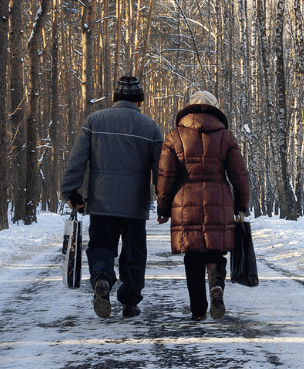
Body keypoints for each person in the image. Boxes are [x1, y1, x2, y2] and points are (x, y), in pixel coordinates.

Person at [61, 75, 164, 318]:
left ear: (115, 98)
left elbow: (77, 160)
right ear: (140, 101)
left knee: (101, 248)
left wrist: (71, 192)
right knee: (134, 254)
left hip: (102, 203)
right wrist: (164, 201)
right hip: (135, 206)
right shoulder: (151, 128)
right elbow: (161, 170)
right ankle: (129, 302)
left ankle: (102, 279)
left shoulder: (95, 120)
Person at [156, 91, 250, 320]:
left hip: (186, 202)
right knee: (216, 251)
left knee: (193, 256)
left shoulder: (174, 136)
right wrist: (241, 204)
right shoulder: (225, 137)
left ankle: (198, 310)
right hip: (219, 198)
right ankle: (216, 286)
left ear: (189, 109)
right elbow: (239, 175)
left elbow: (166, 176)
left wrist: (163, 208)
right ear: (215, 109)